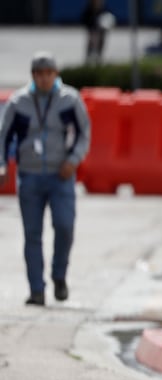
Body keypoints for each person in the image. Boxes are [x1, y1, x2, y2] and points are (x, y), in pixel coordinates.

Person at [0, 52, 92, 306]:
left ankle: (59, 275)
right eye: (39, 74)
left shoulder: (69, 100)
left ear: (56, 74)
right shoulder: (19, 102)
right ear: (32, 76)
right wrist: (2, 165)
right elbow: (3, 136)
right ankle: (36, 289)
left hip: (60, 174)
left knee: (64, 226)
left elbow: (85, 132)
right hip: (29, 175)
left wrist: (73, 159)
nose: (43, 79)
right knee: (32, 234)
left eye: (48, 74)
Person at [81, 0, 115, 65]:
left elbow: (109, 17)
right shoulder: (89, 9)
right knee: (93, 40)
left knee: (101, 41)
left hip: (101, 30)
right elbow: (84, 20)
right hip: (92, 29)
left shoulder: (104, 8)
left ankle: (99, 57)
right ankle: (89, 57)